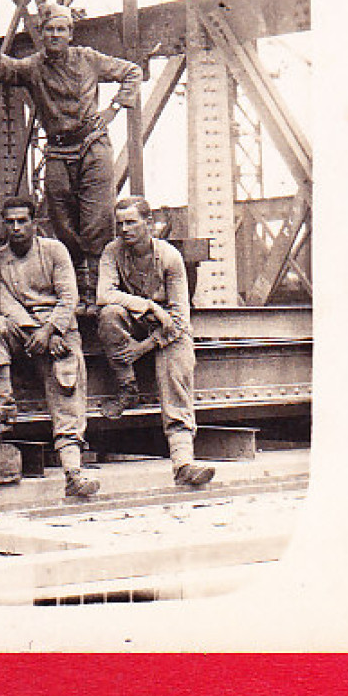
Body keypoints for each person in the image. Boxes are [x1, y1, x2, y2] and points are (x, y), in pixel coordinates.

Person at [0, 3, 142, 305]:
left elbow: (132, 71)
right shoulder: (34, 66)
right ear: (42, 33)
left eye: (61, 29)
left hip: (93, 145)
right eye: (49, 29)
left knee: (96, 219)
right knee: (61, 218)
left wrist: (114, 108)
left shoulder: (88, 58)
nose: (55, 35)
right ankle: (74, 288)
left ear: (70, 34)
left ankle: (98, 291)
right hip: (58, 150)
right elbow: (4, 69)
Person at [0, 195, 99, 499]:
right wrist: (36, 332)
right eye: (10, 222)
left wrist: (52, 331)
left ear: (34, 222)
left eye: (22, 221)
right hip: (27, 331)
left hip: (58, 331)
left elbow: (68, 297)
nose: (16, 227)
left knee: (66, 386)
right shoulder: (0, 258)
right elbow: (6, 301)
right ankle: (4, 402)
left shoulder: (55, 251)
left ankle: (73, 473)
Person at [97, 196, 216, 488]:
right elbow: (104, 295)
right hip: (142, 319)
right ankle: (128, 387)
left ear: (148, 224)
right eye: (120, 223)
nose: (125, 229)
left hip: (167, 331)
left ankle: (183, 463)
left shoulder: (170, 257)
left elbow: (179, 321)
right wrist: (149, 306)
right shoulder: (112, 252)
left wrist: (143, 348)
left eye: (131, 222)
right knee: (109, 315)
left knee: (177, 370)